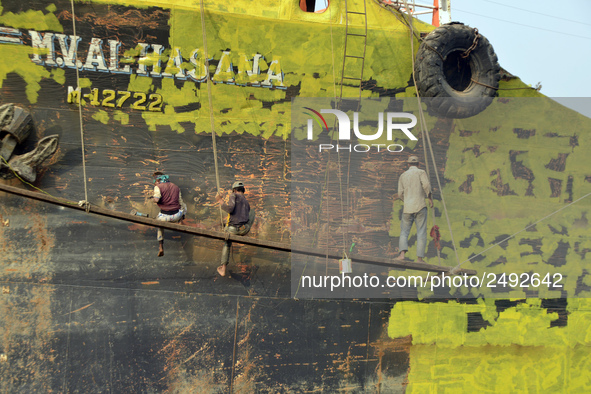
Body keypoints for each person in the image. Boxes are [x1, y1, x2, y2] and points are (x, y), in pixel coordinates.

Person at [395, 156, 433, 263]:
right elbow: (426, 185)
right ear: (418, 164)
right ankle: (419, 259)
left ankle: (402, 255)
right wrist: (429, 198)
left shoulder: (403, 175)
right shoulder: (421, 172)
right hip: (420, 205)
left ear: (408, 164)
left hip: (407, 208)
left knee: (404, 232)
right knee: (421, 232)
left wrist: (406, 200)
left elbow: (400, 193)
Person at [215, 181, 252, 277]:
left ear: (234, 190)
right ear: (243, 190)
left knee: (227, 242)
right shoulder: (246, 202)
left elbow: (230, 209)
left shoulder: (233, 195)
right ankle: (245, 231)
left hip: (233, 229)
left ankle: (223, 268)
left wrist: (220, 200)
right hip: (244, 229)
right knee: (252, 213)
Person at [152, 171, 186, 257]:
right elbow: (180, 202)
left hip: (164, 218)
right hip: (176, 216)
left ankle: (160, 247)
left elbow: (156, 199)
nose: (154, 183)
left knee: (159, 224)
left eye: (154, 181)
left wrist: (153, 197)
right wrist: (183, 213)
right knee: (184, 208)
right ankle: (180, 222)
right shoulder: (176, 187)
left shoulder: (158, 187)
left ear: (158, 180)